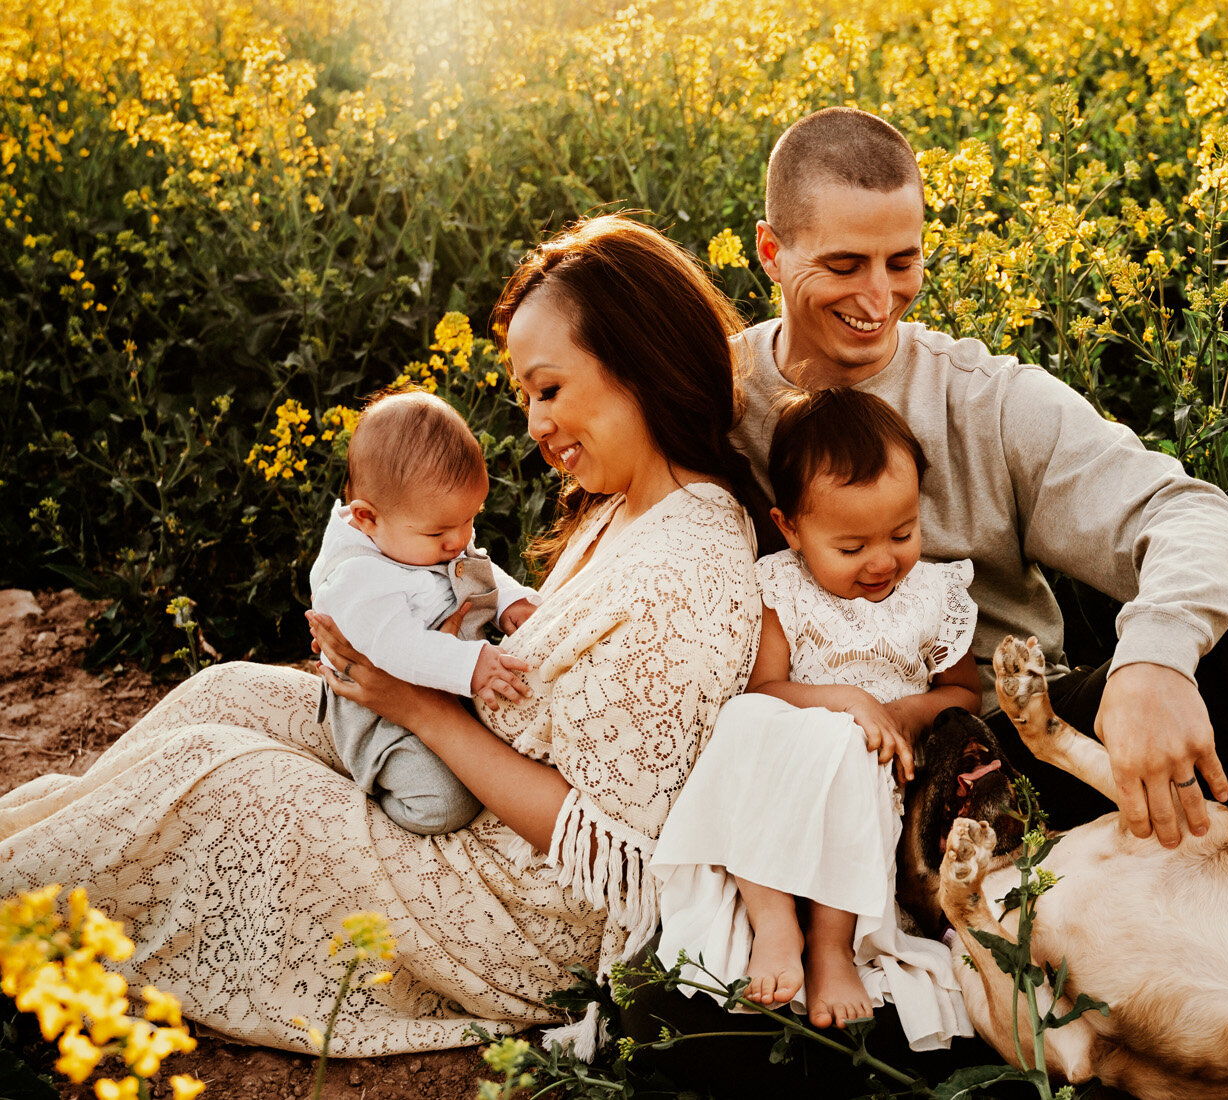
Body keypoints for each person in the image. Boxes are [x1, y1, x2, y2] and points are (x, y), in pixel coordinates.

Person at [728, 106, 1228, 990]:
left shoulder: (986, 398)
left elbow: (1184, 513)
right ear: (769, 252)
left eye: (903, 262)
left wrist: (1155, 660)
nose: (877, 298)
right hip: (812, 779)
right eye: (842, 265)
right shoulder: (712, 399)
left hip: (1009, 739)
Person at [0, 214, 763, 1057]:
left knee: (215, 785)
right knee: (225, 694)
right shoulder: (624, 505)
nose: (535, 424)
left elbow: (609, 849)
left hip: (511, 904)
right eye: (526, 397)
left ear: (640, 364)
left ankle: (22, 910)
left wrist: (414, 705)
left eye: (548, 389)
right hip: (462, 784)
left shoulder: (686, 568)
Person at [652, 387, 980, 1050]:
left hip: (880, 772)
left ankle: (832, 947)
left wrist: (895, 712)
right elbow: (767, 688)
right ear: (792, 528)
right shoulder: (781, 587)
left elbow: (965, 696)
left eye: (902, 533)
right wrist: (846, 700)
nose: (883, 560)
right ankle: (775, 921)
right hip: (796, 760)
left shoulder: (936, 592)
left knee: (850, 744)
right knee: (748, 719)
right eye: (852, 545)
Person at [309, 387, 538, 835]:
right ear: (366, 518)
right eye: (441, 533)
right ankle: (381, 798)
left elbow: (474, 565)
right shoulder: (358, 578)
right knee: (448, 803)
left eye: (470, 519)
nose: (459, 540)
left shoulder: (419, 534)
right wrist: (471, 664)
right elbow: (401, 649)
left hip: (441, 683)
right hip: (384, 716)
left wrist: (509, 600)